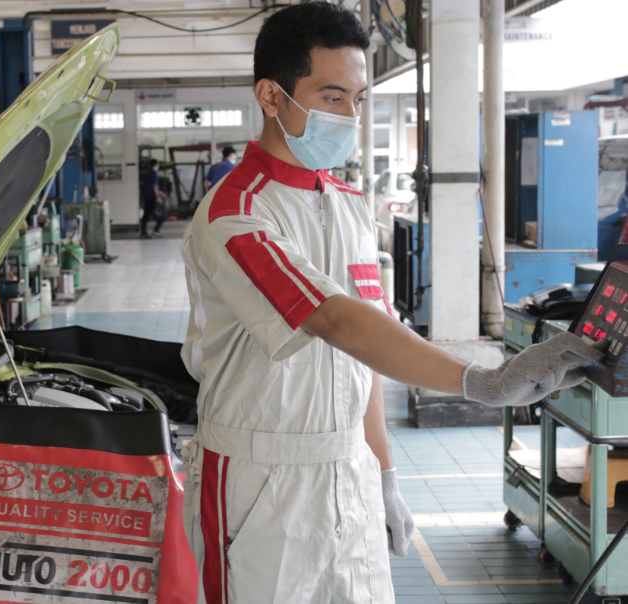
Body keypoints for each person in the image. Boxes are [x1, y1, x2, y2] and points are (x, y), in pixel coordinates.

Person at [179, 3, 603, 604]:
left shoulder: (349, 205)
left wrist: (383, 475)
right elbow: (335, 321)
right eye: (332, 97)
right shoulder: (236, 212)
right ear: (271, 96)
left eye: (358, 99)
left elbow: (367, 349)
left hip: (349, 474)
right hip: (256, 485)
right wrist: (481, 381)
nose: (349, 116)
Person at [141, 158, 166, 239]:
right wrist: (157, 197)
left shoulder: (149, 173)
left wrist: (160, 193)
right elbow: (154, 186)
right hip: (152, 198)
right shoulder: (153, 174)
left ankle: (144, 233)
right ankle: (155, 230)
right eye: (158, 164)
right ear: (155, 165)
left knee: (146, 216)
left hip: (148, 197)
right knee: (162, 214)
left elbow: (153, 187)